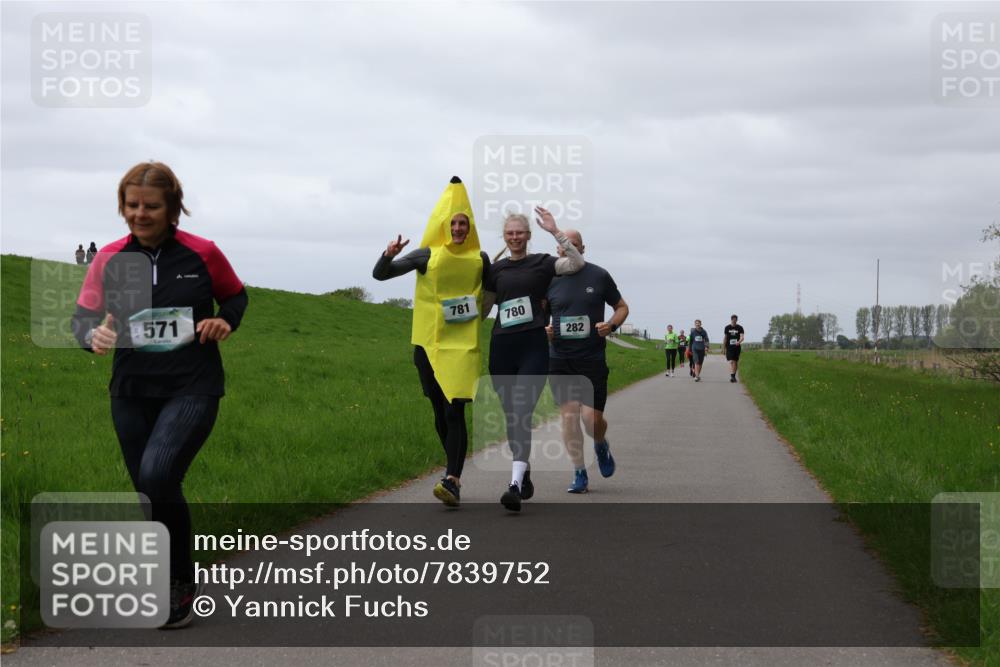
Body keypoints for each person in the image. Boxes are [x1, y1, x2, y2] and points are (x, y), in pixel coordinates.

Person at [71, 161, 248, 629]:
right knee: (151, 492)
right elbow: (82, 318)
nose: (140, 214)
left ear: (173, 208)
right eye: (132, 205)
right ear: (121, 206)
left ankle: (178, 584)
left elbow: (235, 296)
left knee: (157, 472)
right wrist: (92, 337)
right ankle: (166, 576)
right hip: (130, 389)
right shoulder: (108, 259)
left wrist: (224, 320)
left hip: (193, 384)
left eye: (151, 206)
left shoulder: (202, 253)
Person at [372, 176, 490, 508]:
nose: (457, 228)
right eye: (452, 222)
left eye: (462, 223)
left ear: (470, 227)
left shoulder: (480, 259)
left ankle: (452, 480)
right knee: (439, 413)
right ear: (443, 224)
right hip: (427, 346)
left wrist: (482, 311)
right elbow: (381, 275)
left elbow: (496, 290)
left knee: (455, 412)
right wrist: (388, 254)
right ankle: (452, 468)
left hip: (461, 347)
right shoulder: (427, 255)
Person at [486, 209, 583, 512]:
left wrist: (555, 231)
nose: (515, 237)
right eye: (510, 233)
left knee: (522, 412)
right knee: (511, 416)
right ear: (505, 236)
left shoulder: (542, 263)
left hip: (533, 349)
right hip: (501, 348)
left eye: (520, 232)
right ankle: (523, 471)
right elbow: (483, 306)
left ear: (528, 235)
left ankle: (514, 485)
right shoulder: (496, 269)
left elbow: (576, 263)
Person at [545, 230, 628, 494]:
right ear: (558, 250)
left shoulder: (599, 275)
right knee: (569, 418)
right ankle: (579, 472)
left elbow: (622, 307)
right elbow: (539, 312)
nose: (569, 249)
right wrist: (543, 329)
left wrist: (611, 325)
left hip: (591, 358)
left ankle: (601, 444)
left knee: (592, 420)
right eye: (564, 246)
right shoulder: (549, 278)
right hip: (559, 358)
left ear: (583, 248)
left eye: (575, 245)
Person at [724, 314, 745, 382]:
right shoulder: (727, 327)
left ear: (737, 320)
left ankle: (733, 376)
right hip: (729, 347)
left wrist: (739, 341)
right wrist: (724, 347)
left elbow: (742, 337)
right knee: (732, 361)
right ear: (731, 320)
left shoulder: (740, 328)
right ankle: (732, 376)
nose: (734, 321)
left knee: (735, 361)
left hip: (736, 347)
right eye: (733, 320)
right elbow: (725, 338)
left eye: (735, 320)